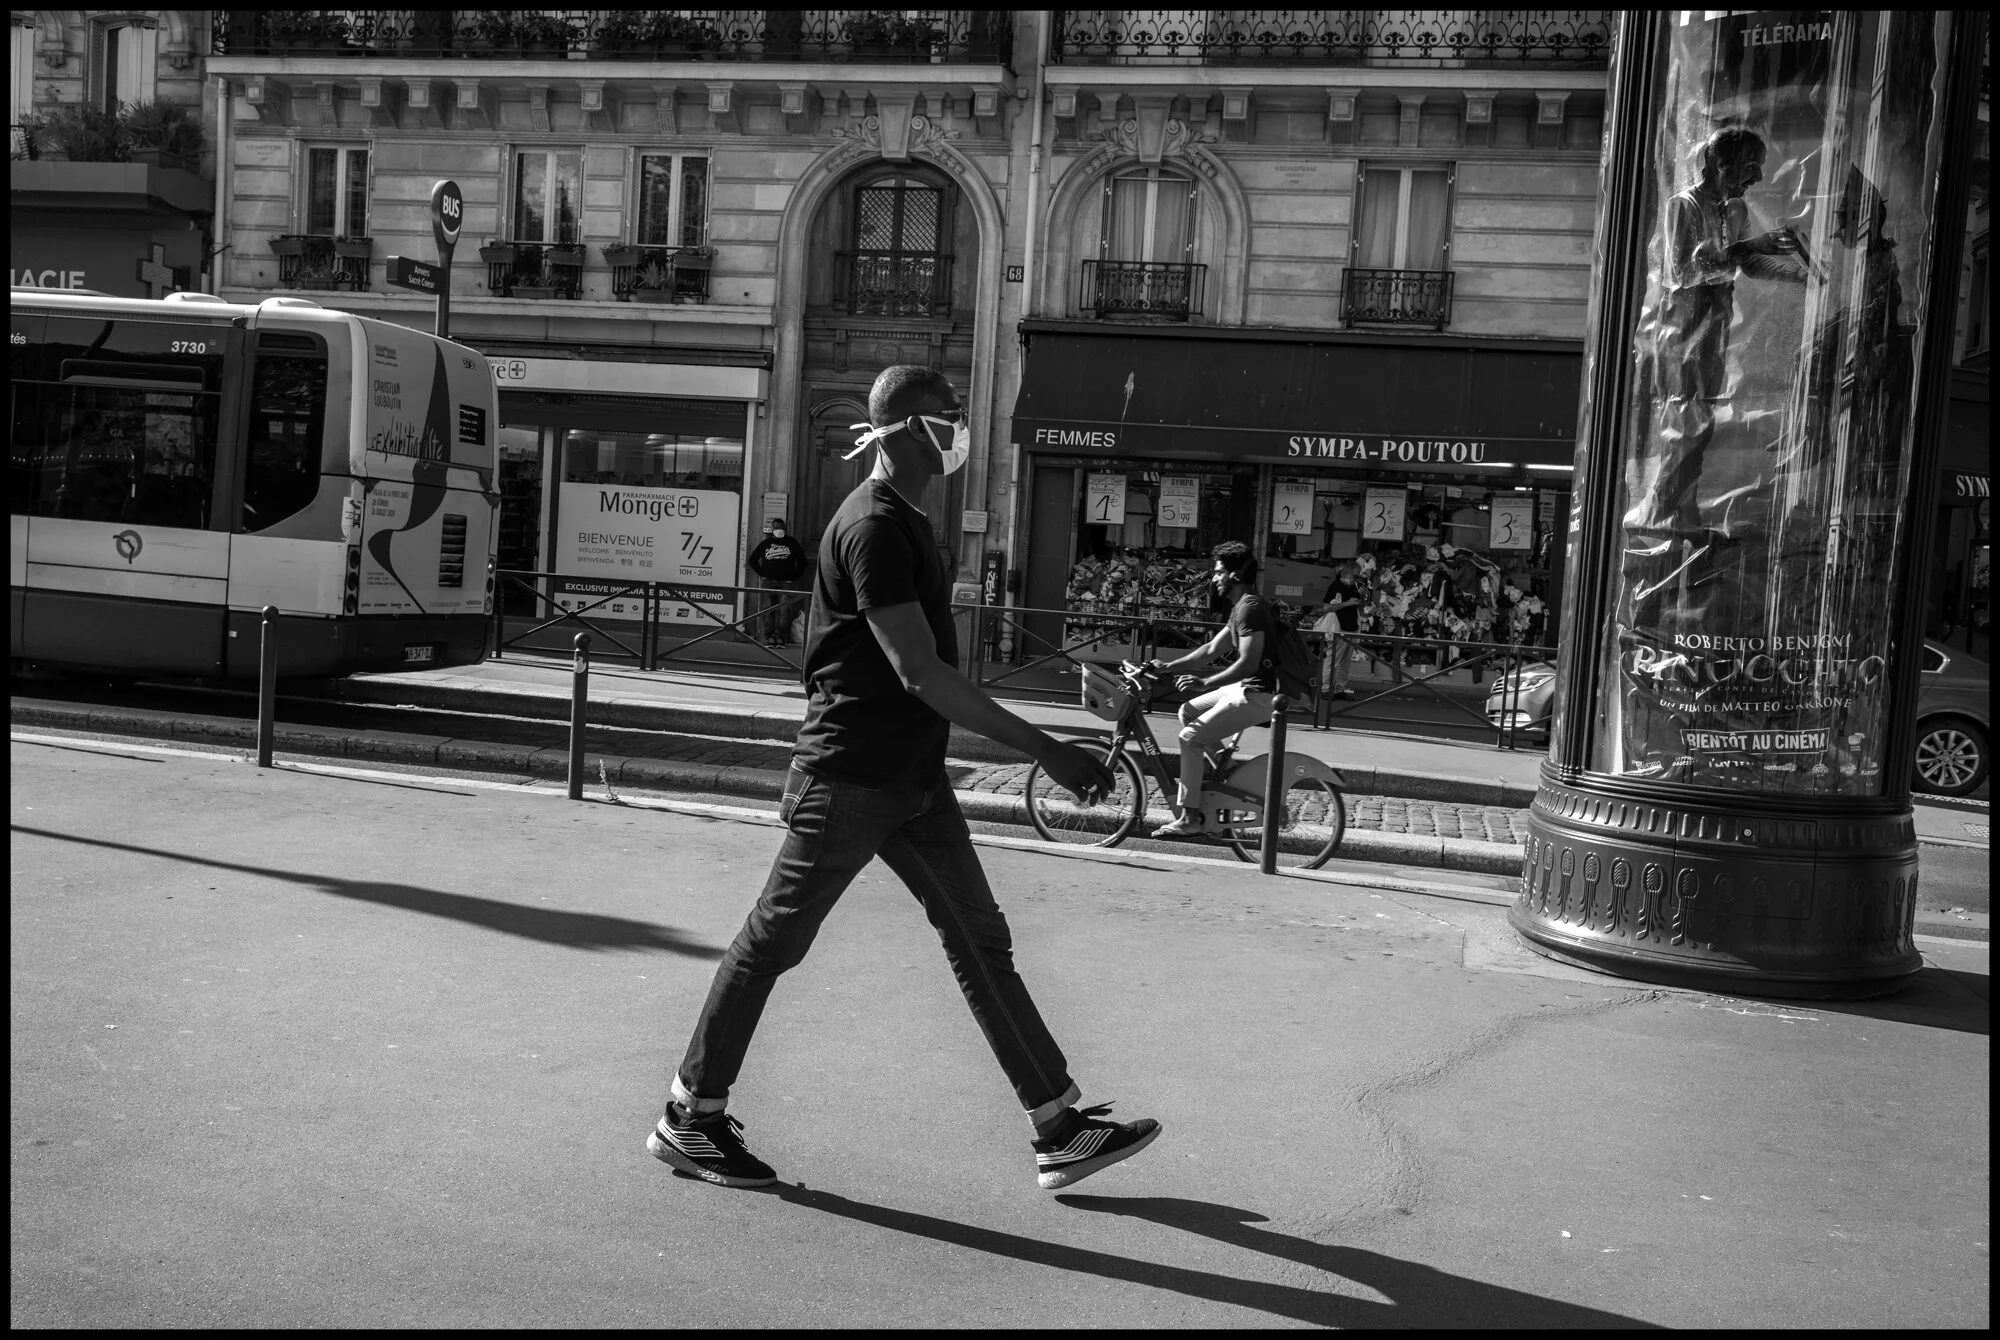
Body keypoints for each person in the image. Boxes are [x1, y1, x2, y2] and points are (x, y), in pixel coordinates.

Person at [650, 365, 1159, 1192]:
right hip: (851, 774)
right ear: (905, 430)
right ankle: (689, 1115)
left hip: (911, 780)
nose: (961, 431)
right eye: (948, 419)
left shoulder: (910, 522)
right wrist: (1047, 750)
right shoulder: (875, 526)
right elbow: (918, 670)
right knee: (771, 943)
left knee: (979, 938)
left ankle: (1058, 1125)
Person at [1142, 541, 1279, 839]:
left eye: (1219, 573)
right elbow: (1208, 651)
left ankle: (1190, 818)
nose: (1214, 578)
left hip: (1259, 695)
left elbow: (1248, 663)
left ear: (1235, 576)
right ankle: (1226, 779)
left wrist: (1204, 683)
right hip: (1247, 688)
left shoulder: (1251, 609)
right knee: (1188, 711)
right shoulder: (1240, 608)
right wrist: (1167, 667)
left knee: (1190, 738)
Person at [746, 517, 809, 645]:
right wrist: (762, 574)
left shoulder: (791, 543)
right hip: (768, 582)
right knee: (767, 609)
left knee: (783, 610)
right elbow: (753, 559)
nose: (778, 530)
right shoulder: (766, 543)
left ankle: (780, 637)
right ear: (772, 529)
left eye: (781, 528)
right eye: (776, 528)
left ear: (784, 529)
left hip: (785, 583)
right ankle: (769, 637)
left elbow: (803, 561)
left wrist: (794, 576)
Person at [1316, 564, 1363, 699]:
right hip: (1338, 628)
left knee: (1345, 662)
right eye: (1355, 576)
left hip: (1351, 627)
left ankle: (1339, 688)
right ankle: (1325, 689)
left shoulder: (1354, 586)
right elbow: (1326, 607)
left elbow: (1357, 603)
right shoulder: (1335, 586)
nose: (1356, 579)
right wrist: (1346, 603)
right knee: (1333, 659)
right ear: (1346, 573)